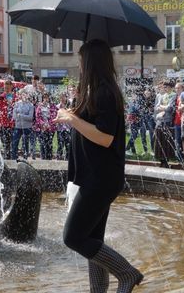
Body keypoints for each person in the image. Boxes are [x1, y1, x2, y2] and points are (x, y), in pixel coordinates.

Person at [53, 40, 143, 293]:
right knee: (93, 241)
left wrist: (73, 119)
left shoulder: (104, 92)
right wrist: (73, 113)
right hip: (97, 176)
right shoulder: (96, 91)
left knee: (73, 237)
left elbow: (105, 137)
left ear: (90, 62)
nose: (78, 65)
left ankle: (127, 274)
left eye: (81, 60)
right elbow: (91, 124)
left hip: (100, 179)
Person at [153, 81, 176, 168]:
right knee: (159, 140)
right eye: (164, 87)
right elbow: (156, 107)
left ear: (171, 87)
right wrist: (162, 108)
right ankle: (161, 160)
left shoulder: (173, 95)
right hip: (160, 120)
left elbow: (170, 108)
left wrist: (162, 108)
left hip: (168, 121)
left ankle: (166, 160)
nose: (165, 89)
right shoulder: (162, 96)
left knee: (167, 141)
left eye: (166, 87)